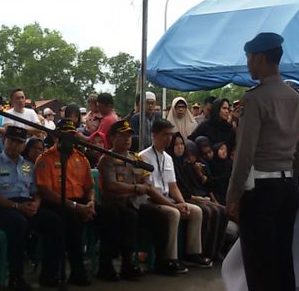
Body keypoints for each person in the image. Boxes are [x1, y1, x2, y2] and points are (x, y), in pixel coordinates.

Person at [225, 32, 299, 291]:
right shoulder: (298, 98)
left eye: (249, 58)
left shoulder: (255, 100)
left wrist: (232, 196)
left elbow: (244, 156)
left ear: (259, 58)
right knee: (283, 267)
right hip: (287, 189)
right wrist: (295, 187)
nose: (247, 64)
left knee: (260, 267)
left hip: (260, 192)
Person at [0, 125, 63, 291]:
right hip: (2, 207)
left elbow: (35, 191)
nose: (14, 146)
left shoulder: (28, 166)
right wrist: (17, 206)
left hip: (26, 204)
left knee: (55, 222)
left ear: (24, 145)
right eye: (11, 141)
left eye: (19, 142)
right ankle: (16, 277)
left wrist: (36, 204)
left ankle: (49, 274)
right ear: (5, 141)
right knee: (18, 224)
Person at [139, 118, 211, 274]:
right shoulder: (143, 157)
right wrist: (174, 205)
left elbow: (173, 186)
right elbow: (150, 190)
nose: (169, 139)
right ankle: (169, 259)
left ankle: (193, 253)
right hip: (150, 201)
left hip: (167, 198)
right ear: (154, 135)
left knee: (195, 211)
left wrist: (182, 202)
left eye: (170, 135)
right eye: (165, 135)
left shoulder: (168, 158)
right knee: (173, 213)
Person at [35, 118, 96, 286]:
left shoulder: (82, 159)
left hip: (80, 203)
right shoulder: (45, 159)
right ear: (56, 137)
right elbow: (46, 192)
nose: (69, 139)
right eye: (65, 135)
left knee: (110, 215)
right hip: (55, 204)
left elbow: (90, 186)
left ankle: (107, 265)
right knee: (70, 221)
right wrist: (76, 207)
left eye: (72, 135)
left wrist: (91, 202)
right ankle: (62, 272)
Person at [95, 120, 147, 281]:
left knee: (139, 215)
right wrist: (135, 188)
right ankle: (106, 264)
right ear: (112, 138)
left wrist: (140, 188)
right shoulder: (107, 159)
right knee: (114, 216)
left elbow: (145, 182)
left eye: (129, 136)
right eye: (122, 136)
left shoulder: (135, 158)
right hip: (111, 203)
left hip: (131, 203)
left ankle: (128, 263)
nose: (127, 139)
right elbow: (111, 186)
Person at [168, 134, 228, 262]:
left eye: (181, 144)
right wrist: (196, 197)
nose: (180, 148)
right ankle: (201, 252)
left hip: (194, 196)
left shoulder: (186, 164)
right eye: (176, 145)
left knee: (221, 211)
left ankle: (214, 251)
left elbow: (201, 184)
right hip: (183, 198)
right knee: (207, 211)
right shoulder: (170, 162)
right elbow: (176, 188)